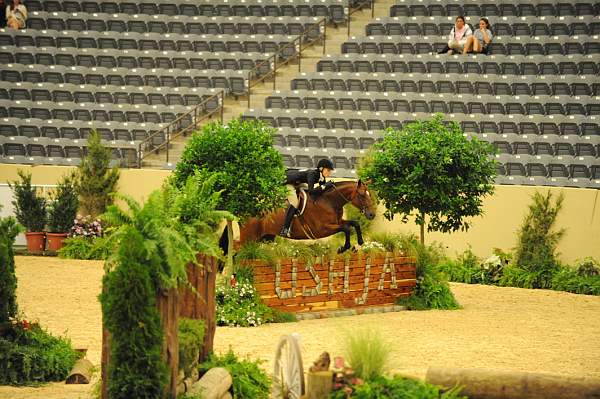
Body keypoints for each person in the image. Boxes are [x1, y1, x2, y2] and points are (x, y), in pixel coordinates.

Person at [280, 158, 335, 237]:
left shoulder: (321, 177)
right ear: (321, 169)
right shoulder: (312, 174)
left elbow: (321, 191)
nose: (329, 173)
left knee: (306, 193)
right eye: (328, 170)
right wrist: (325, 186)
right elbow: (312, 191)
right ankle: (285, 229)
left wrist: (328, 186)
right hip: (288, 182)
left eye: (330, 171)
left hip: (299, 182)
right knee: (295, 203)